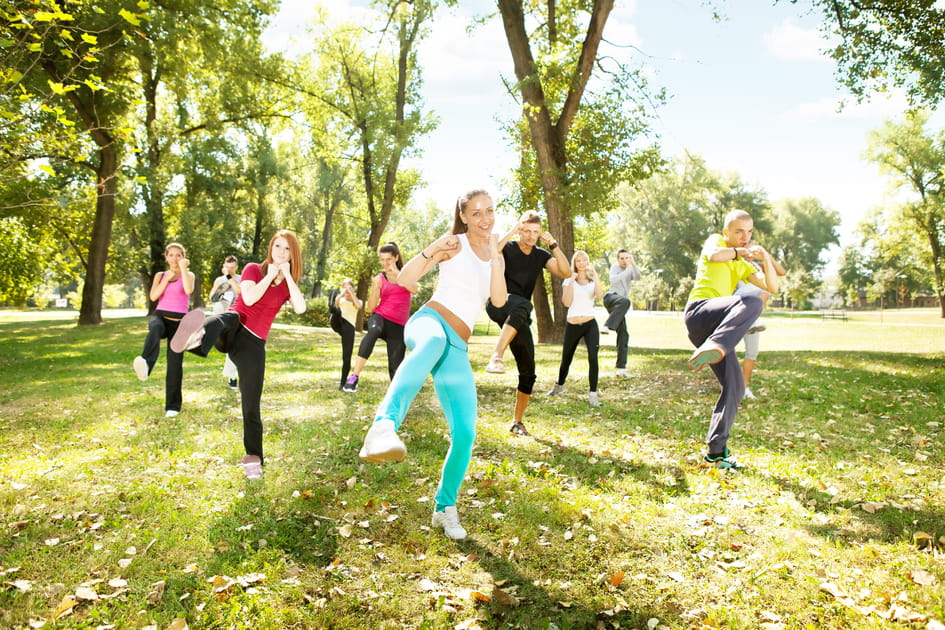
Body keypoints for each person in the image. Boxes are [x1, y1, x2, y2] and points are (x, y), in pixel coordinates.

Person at [357, 189, 507, 540]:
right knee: (434, 341)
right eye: (476, 212)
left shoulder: (496, 252)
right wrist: (433, 249)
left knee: (466, 433)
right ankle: (382, 425)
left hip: (458, 345)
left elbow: (498, 301)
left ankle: (444, 508)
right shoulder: (453, 243)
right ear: (465, 216)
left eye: (490, 210)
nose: (485, 218)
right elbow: (406, 280)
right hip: (430, 322)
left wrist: (498, 262)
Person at [169, 230, 306, 480]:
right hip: (233, 328)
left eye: (287, 249)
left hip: (253, 344)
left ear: (293, 254)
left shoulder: (288, 282)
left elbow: (300, 308)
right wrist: (271, 274)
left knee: (251, 405)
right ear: (270, 248)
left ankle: (253, 457)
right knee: (227, 316)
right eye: (277, 246)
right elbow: (251, 297)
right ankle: (195, 336)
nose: (281, 252)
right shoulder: (254, 268)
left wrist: (286, 274)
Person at [684, 210, 779, 470]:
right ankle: (719, 344)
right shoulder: (716, 242)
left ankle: (716, 452)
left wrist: (766, 258)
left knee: (735, 386)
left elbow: (772, 287)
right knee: (750, 301)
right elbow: (716, 256)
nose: (744, 237)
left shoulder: (743, 264)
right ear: (727, 232)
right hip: (700, 312)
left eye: (749, 232)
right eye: (738, 231)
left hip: (714, 330)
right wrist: (741, 252)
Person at [482, 211, 570, 436]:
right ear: (521, 230)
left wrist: (554, 245)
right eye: (527, 231)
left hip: (519, 313)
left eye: (536, 232)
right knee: (522, 303)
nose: (531, 236)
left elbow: (566, 272)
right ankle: (497, 355)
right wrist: (512, 230)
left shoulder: (540, 255)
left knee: (529, 370)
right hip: (498, 302)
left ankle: (517, 422)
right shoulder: (509, 247)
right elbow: (492, 254)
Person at [132, 242, 195, 418]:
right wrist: (166, 278)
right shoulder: (160, 275)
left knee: (174, 365)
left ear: (184, 258)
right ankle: (145, 363)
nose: (175, 258)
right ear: (166, 257)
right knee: (154, 329)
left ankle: (172, 407)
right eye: (171, 255)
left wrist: (182, 270)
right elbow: (153, 296)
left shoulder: (189, 275)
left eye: (179, 255)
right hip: (161, 316)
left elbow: (188, 289)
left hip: (180, 323)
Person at [342, 243, 413, 392]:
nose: (385, 263)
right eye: (382, 260)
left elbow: (415, 289)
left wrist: (399, 275)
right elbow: (370, 308)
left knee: (395, 368)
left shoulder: (406, 274)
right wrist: (375, 288)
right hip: (380, 317)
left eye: (388, 259)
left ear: (396, 258)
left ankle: (397, 394)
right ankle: (354, 377)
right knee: (373, 330)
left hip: (398, 325)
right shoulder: (380, 278)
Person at [547, 251, 604, 407]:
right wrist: (571, 281)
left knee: (593, 357)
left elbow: (599, 296)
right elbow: (566, 302)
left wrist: (596, 276)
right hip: (573, 325)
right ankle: (559, 385)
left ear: (587, 262)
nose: (581, 263)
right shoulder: (568, 281)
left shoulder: (592, 282)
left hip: (590, 324)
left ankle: (593, 394)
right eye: (578, 261)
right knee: (566, 358)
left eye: (584, 260)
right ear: (574, 263)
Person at [734, 251, 786, 400]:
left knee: (752, 352)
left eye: (752, 250)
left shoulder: (758, 267)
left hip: (753, 318)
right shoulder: (736, 265)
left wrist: (766, 256)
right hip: (738, 308)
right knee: (725, 350)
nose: (749, 253)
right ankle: (729, 384)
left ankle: (744, 387)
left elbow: (781, 272)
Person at [602, 249, 641, 378]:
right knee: (626, 301)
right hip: (611, 298)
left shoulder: (630, 268)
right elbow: (615, 281)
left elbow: (638, 277)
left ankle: (621, 369)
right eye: (622, 258)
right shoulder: (614, 268)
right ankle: (607, 325)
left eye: (627, 258)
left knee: (623, 334)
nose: (625, 261)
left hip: (620, 306)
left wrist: (633, 264)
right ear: (618, 259)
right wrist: (628, 270)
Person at [209, 255, 241, 390]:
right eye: (227, 268)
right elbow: (211, 298)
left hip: (235, 313)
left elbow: (239, 292)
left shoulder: (240, 279)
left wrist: (229, 278)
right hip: (222, 308)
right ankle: (217, 328)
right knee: (218, 305)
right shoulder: (219, 280)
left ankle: (231, 376)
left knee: (232, 346)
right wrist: (218, 292)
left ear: (236, 267)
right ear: (224, 266)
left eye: (232, 268)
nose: (230, 270)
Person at [333, 278, 362, 390]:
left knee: (346, 356)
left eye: (349, 286)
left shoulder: (357, 300)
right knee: (334, 310)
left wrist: (351, 293)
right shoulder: (340, 299)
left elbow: (359, 306)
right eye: (344, 286)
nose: (346, 289)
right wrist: (342, 293)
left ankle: (343, 382)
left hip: (348, 327)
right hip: (338, 322)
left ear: (353, 288)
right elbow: (335, 302)